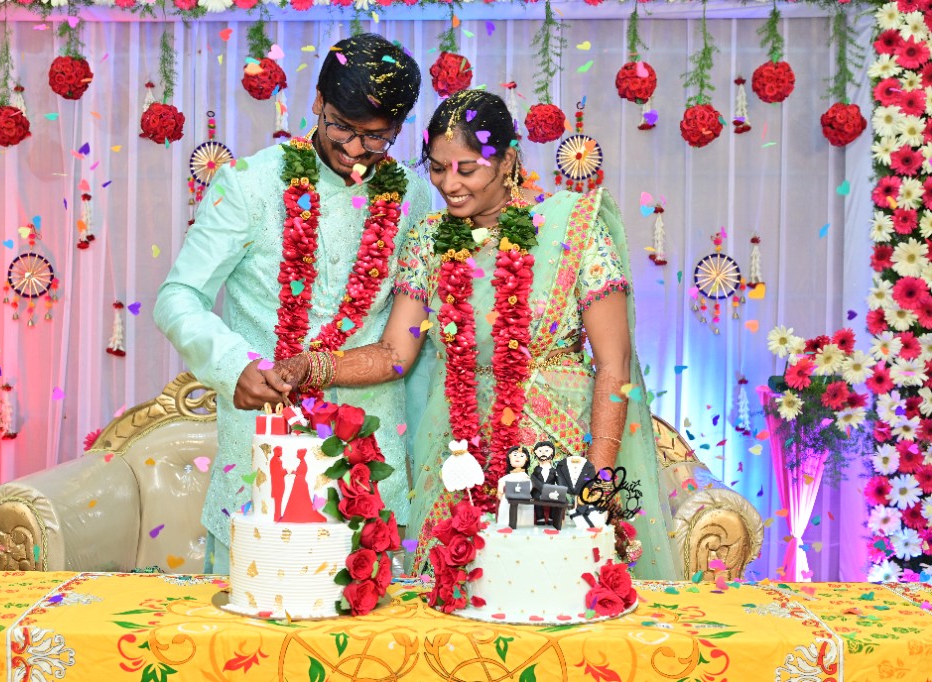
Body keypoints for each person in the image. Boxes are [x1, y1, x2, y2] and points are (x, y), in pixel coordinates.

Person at [275, 90, 678, 580]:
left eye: (466, 169)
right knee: (458, 602)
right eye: (439, 169)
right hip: (458, 454)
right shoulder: (429, 239)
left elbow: (613, 364)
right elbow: (394, 353)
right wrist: (312, 366)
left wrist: (592, 483)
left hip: (556, 449)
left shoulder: (572, 228)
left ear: (506, 159)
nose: (450, 184)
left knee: (549, 598)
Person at [154, 33, 430, 574]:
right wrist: (235, 365)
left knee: (377, 649)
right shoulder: (249, 185)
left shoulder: (415, 197)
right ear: (318, 104)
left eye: (375, 138)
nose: (355, 151)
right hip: (262, 444)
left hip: (374, 461)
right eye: (343, 128)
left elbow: (411, 332)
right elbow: (178, 296)